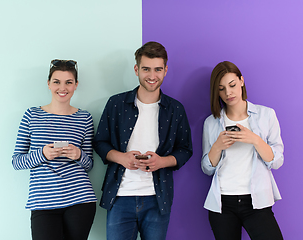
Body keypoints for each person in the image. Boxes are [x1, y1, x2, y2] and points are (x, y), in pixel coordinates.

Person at [93, 41, 193, 240]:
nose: (152, 76)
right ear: (136, 69)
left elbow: (185, 149)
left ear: (165, 70)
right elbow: (100, 142)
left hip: (158, 199)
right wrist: (121, 158)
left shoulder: (175, 109)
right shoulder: (116, 104)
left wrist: (161, 161)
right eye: (146, 69)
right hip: (120, 197)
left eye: (158, 69)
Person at [12, 59, 97, 240]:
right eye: (57, 82)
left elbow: (89, 164)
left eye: (68, 82)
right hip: (43, 201)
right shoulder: (32, 115)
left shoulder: (84, 118)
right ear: (49, 84)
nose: (62, 88)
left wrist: (78, 155)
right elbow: (16, 161)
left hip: (80, 199)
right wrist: (42, 154)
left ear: (76, 85)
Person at [201, 61, 284, 240]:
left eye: (232, 85)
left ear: (241, 81)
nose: (228, 93)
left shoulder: (266, 115)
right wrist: (217, 146)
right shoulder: (211, 122)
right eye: (221, 89)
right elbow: (207, 169)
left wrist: (254, 139)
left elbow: (276, 161)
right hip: (222, 203)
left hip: (257, 200)